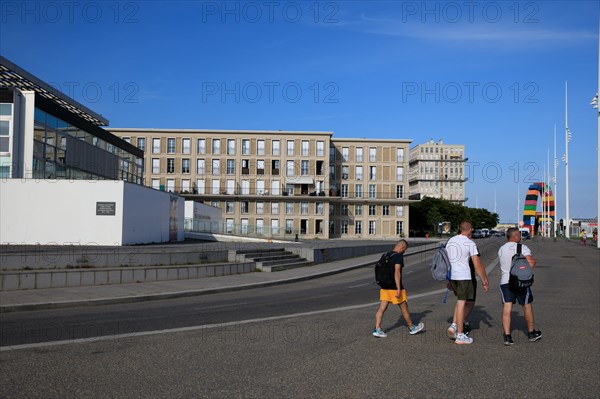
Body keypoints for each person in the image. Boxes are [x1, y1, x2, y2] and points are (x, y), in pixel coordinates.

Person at [445, 221, 489, 345]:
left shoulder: (451, 241)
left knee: (460, 302)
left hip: (453, 276)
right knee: (461, 304)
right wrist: (484, 281)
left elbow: (447, 261)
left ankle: (454, 327)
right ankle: (460, 335)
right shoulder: (470, 243)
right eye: (472, 229)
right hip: (464, 276)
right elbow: (477, 264)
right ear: (469, 229)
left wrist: (447, 280)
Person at [498, 227, 542, 345]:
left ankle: (507, 336)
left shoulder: (501, 249)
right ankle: (531, 333)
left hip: (505, 281)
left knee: (507, 308)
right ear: (515, 236)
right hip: (520, 282)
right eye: (519, 235)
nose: (520, 237)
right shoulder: (522, 247)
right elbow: (531, 263)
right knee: (526, 306)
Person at [373, 239, 425, 338]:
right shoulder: (398, 257)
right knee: (404, 307)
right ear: (402, 247)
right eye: (404, 249)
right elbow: (397, 272)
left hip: (384, 286)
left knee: (382, 308)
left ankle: (377, 329)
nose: (404, 251)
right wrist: (398, 288)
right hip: (394, 287)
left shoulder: (385, 255)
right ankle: (411, 327)